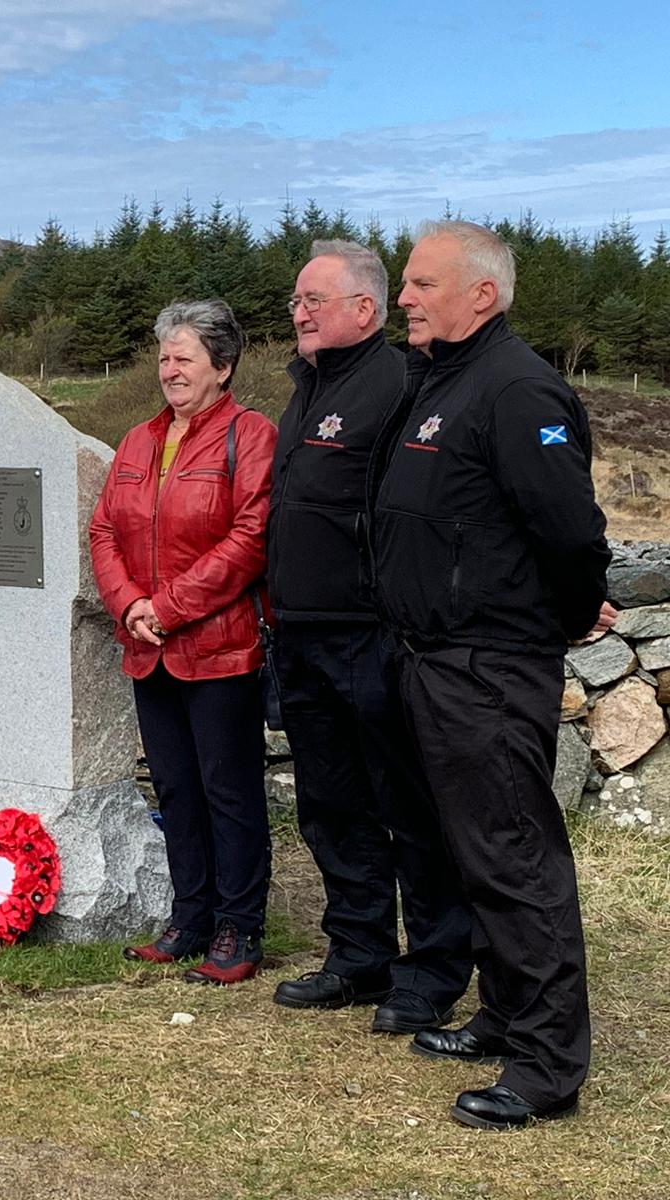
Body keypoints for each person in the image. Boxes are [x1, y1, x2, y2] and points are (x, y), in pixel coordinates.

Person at [374, 220, 615, 1130]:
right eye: (404, 283)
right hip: (434, 660)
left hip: (488, 665)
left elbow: (570, 532)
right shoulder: (447, 380)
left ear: (483, 293)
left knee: (515, 859)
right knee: (474, 852)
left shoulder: (517, 389)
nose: (406, 298)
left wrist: (545, 624)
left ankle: (548, 1065)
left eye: (422, 283)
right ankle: (508, 1013)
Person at [265, 242, 473, 1031]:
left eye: (315, 299)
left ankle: (432, 972)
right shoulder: (308, 385)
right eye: (295, 301)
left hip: (370, 638)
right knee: (331, 807)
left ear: (367, 309)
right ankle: (358, 957)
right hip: (303, 636)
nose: (300, 312)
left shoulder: (393, 385)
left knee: (407, 809)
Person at [89, 299, 275, 985]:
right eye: (164, 356)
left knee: (228, 791)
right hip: (149, 647)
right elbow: (105, 529)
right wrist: (130, 603)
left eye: (185, 357)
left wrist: (167, 607)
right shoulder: (138, 441)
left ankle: (239, 926)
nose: (170, 369)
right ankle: (189, 915)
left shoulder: (250, 436)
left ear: (222, 368)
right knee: (175, 788)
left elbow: (249, 539)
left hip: (221, 649)